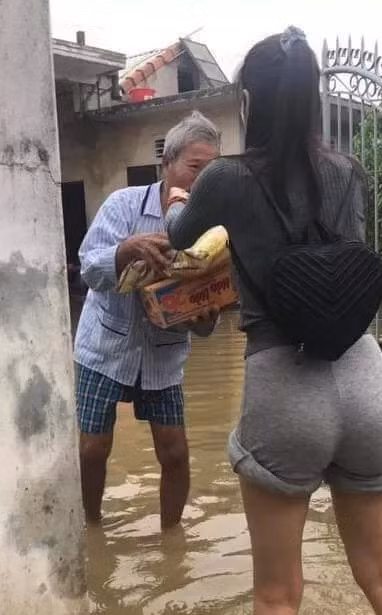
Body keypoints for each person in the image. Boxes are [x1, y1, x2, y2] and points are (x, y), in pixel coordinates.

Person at [164, 29, 382, 615]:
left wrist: (177, 200)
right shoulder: (348, 172)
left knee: (277, 597)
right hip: (365, 375)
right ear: (313, 99)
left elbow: (179, 241)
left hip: (284, 380)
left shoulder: (224, 178)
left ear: (249, 101)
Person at [74, 111, 222, 529]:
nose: (201, 180)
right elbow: (88, 269)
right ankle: (91, 526)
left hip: (163, 355)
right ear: (168, 165)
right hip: (105, 346)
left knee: (175, 452)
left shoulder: (213, 229)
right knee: (93, 449)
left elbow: (210, 316)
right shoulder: (123, 206)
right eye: (195, 168)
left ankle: (171, 537)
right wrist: (125, 250)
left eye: (211, 172)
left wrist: (202, 318)